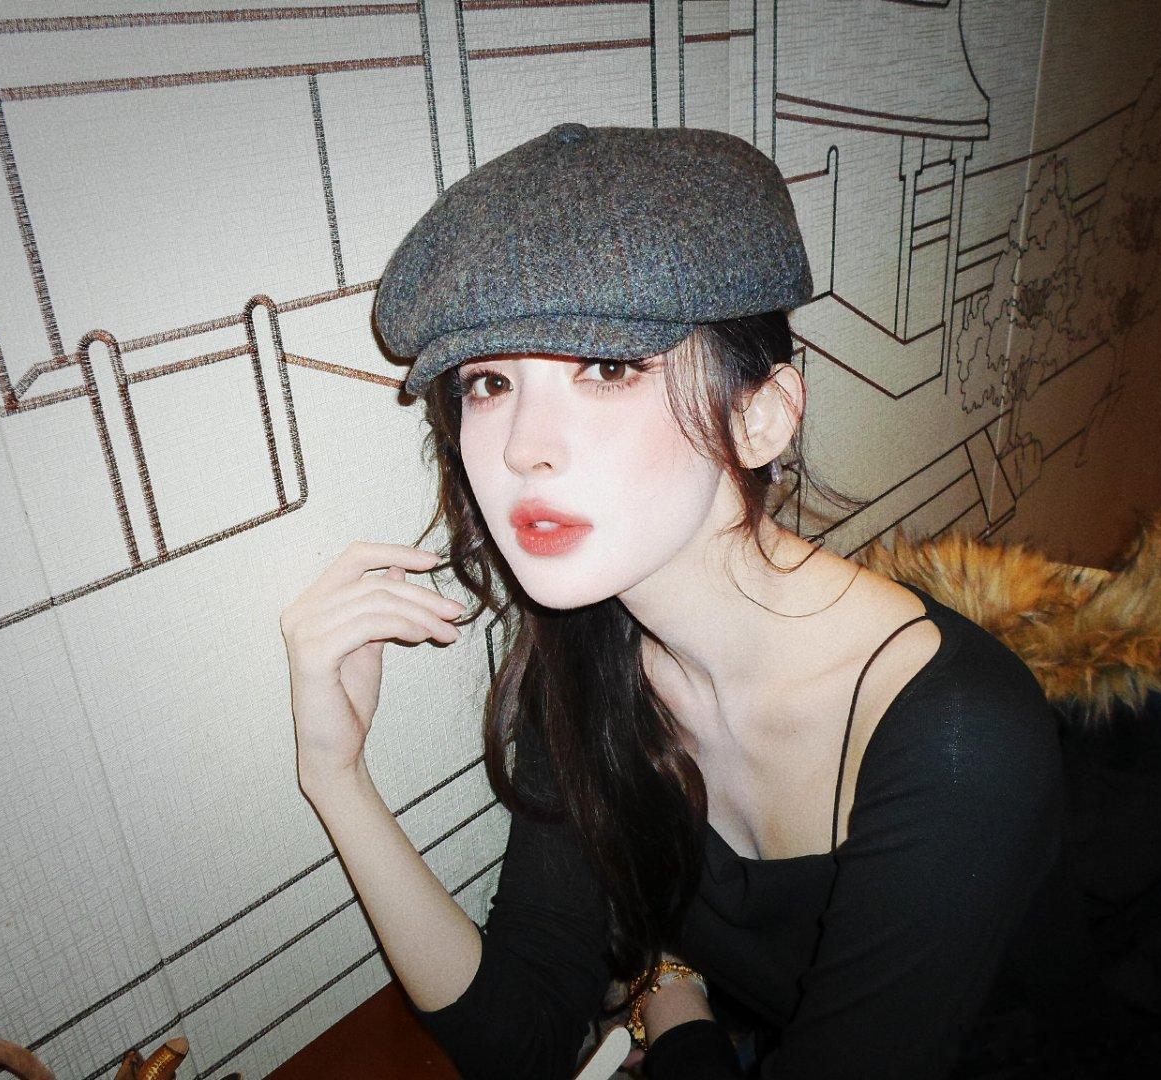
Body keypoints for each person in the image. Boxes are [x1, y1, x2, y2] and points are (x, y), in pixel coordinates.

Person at [279, 123, 1065, 1079]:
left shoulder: (962, 741)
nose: (523, 446)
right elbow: (522, 1032)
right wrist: (336, 775)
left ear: (761, 415)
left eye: (607, 369)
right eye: (489, 382)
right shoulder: (589, 658)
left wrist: (676, 1008)